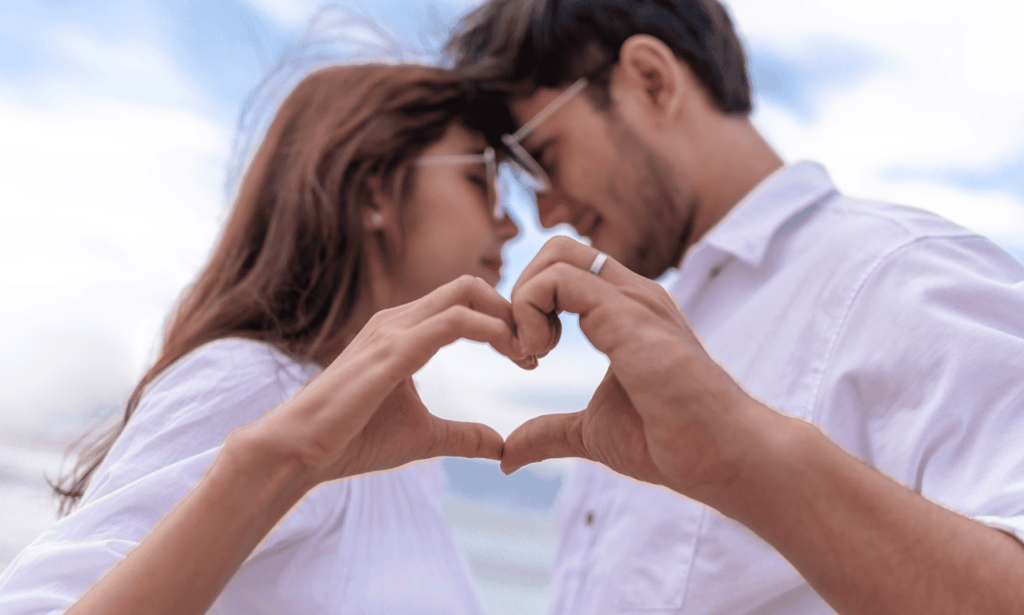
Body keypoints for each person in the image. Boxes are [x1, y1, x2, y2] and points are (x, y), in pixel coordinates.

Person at [445, 0, 1024, 613]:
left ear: (651, 80)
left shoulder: (900, 278)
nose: (545, 212)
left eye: (543, 159)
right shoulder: (665, 328)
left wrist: (744, 459)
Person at [0, 63, 531, 615]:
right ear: (374, 190)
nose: (510, 224)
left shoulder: (402, 455)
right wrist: (272, 462)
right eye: (480, 180)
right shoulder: (257, 384)